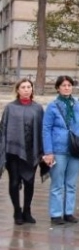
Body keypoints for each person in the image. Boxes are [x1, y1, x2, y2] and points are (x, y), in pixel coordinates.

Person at [42, 76, 79, 225]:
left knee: (71, 183)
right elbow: (46, 129)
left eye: (69, 85)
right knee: (57, 183)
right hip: (58, 149)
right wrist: (48, 151)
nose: (67, 88)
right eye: (63, 85)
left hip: (75, 150)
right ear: (58, 88)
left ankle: (69, 212)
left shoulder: (78, 104)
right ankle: (56, 214)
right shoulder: (52, 106)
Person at [0, 79, 44, 225]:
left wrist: (43, 151)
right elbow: (3, 130)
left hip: (32, 150)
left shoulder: (38, 108)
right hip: (13, 151)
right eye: (23, 87)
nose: (26, 90)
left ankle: (27, 210)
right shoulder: (10, 108)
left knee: (29, 182)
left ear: (32, 89)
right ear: (17, 90)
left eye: (29, 87)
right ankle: (17, 211)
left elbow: (42, 130)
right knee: (13, 182)